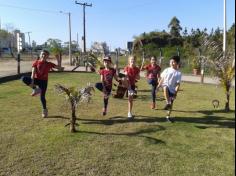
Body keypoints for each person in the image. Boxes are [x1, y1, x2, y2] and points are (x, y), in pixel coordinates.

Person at [21, 50, 62, 118]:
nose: (44, 56)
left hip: (44, 82)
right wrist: (32, 82)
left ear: (47, 56)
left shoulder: (49, 64)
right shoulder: (36, 62)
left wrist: (58, 59)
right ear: (40, 55)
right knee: (23, 78)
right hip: (36, 80)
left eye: (46, 55)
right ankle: (36, 89)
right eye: (43, 54)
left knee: (42, 97)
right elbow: (33, 73)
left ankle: (44, 111)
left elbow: (59, 68)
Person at [157, 55, 182, 122]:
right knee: (165, 86)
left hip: (172, 91)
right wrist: (158, 86)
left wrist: (175, 94)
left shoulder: (178, 73)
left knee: (171, 105)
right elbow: (162, 79)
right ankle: (168, 102)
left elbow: (177, 84)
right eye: (171, 61)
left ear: (177, 63)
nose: (171, 63)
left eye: (173, 62)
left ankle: (167, 117)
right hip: (166, 87)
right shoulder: (167, 70)